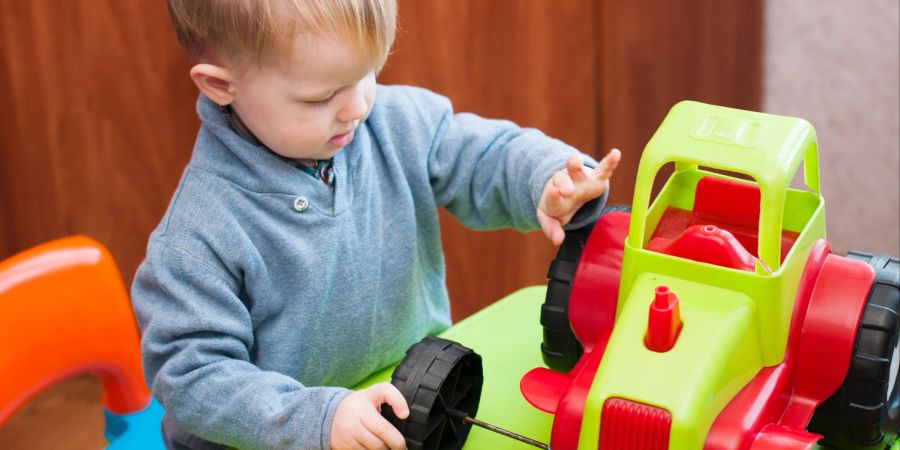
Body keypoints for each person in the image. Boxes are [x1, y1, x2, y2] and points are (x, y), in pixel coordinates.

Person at [132, 1, 621, 449]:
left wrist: (548, 180)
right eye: (320, 97)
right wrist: (316, 419)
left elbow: (478, 153)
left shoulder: (388, 121)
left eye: (368, 73)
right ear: (221, 85)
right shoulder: (198, 235)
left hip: (418, 403)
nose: (358, 106)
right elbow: (191, 372)